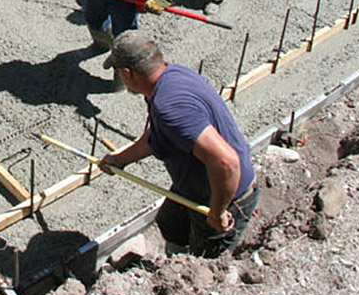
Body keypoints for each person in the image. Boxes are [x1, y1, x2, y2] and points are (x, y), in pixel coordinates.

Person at [99, 30, 259, 257]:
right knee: (170, 224)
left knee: (203, 260)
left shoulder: (170, 107)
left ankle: (180, 273)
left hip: (223, 195)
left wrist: (218, 211)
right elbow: (156, 135)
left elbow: (226, 162)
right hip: (194, 187)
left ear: (127, 73)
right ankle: (172, 259)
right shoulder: (169, 78)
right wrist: (120, 160)